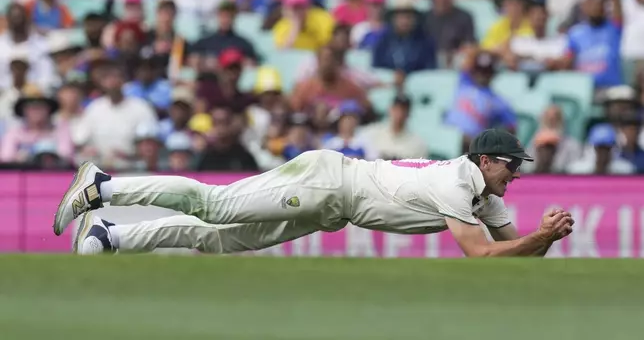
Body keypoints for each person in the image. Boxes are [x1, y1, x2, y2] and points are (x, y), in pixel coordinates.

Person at [54, 128, 575, 258]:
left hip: (333, 207)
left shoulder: (488, 194)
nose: (516, 175)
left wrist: (545, 237)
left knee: (220, 242)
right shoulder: (458, 181)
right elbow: (482, 253)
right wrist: (541, 237)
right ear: (486, 160)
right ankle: (104, 186)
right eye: (510, 166)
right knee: (213, 205)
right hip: (328, 182)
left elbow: (515, 255)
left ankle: (109, 236)